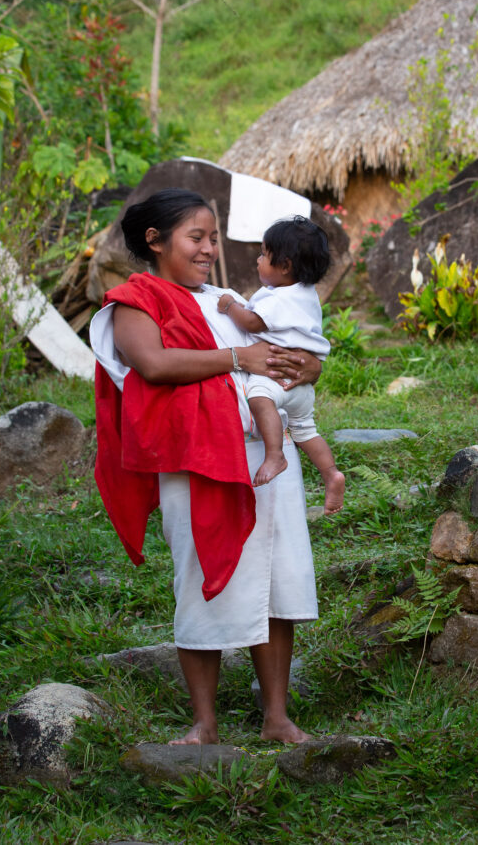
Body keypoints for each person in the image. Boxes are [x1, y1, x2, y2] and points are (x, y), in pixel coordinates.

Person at [90, 188, 322, 746]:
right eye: (197, 237)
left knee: (277, 583)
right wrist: (239, 357)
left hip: (269, 458)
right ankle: (204, 724)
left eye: (213, 238)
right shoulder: (134, 301)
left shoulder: (225, 298)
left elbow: (283, 351)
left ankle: (276, 718)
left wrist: (307, 366)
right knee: (200, 583)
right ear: (155, 240)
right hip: (197, 462)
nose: (209, 250)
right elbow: (153, 362)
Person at [217, 216, 345, 515]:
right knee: (306, 431)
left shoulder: (278, 298)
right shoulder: (306, 294)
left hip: (275, 376)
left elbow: (250, 321)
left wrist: (229, 305)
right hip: (301, 385)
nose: (258, 260)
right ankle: (331, 474)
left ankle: (274, 454)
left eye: (263, 254)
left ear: (285, 266)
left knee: (259, 400)